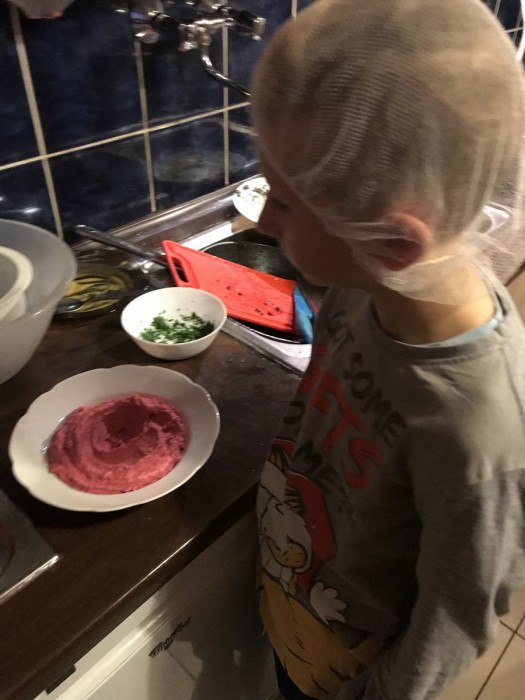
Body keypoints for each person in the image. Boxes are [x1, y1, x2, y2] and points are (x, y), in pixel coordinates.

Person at [251, 1, 525, 699]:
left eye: (284, 202)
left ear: (395, 241)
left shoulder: (479, 436)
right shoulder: (367, 284)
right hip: (293, 590)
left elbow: (453, 620)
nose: (261, 220)